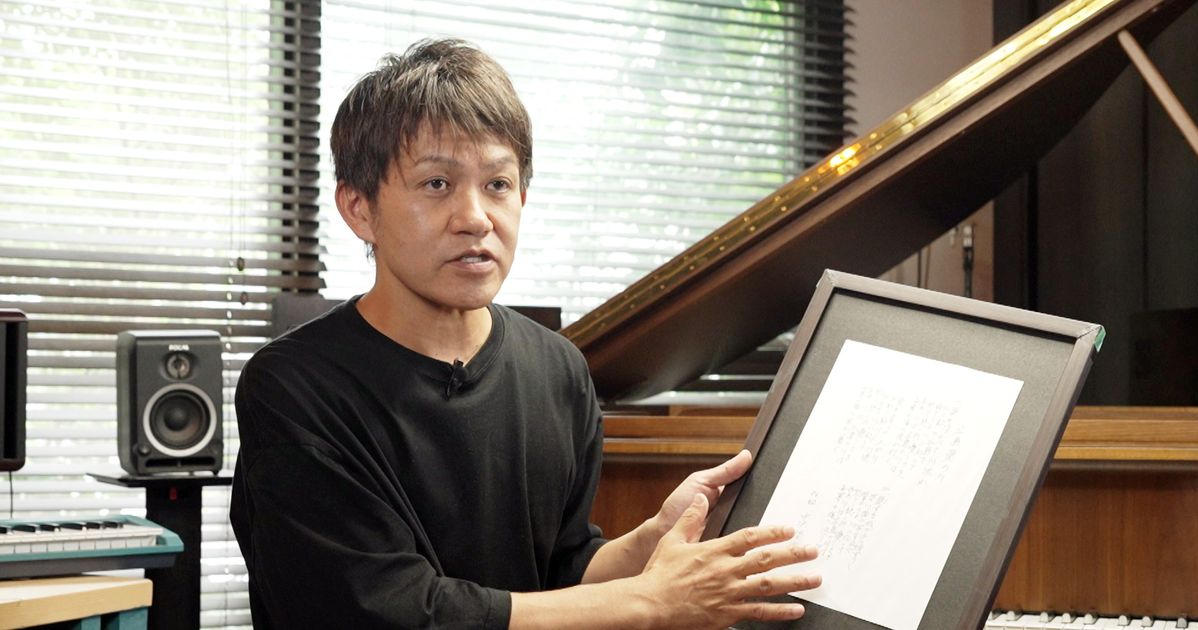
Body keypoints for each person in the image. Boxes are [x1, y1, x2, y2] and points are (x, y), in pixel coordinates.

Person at [229, 37, 820, 629]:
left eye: (497, 185)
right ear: (359, 208)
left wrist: (650, 540)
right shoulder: (293, 387)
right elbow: (395, 611)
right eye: (437, 184)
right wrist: (652, 601)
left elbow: (562, 576)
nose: (475, 218)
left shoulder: (558, 369)